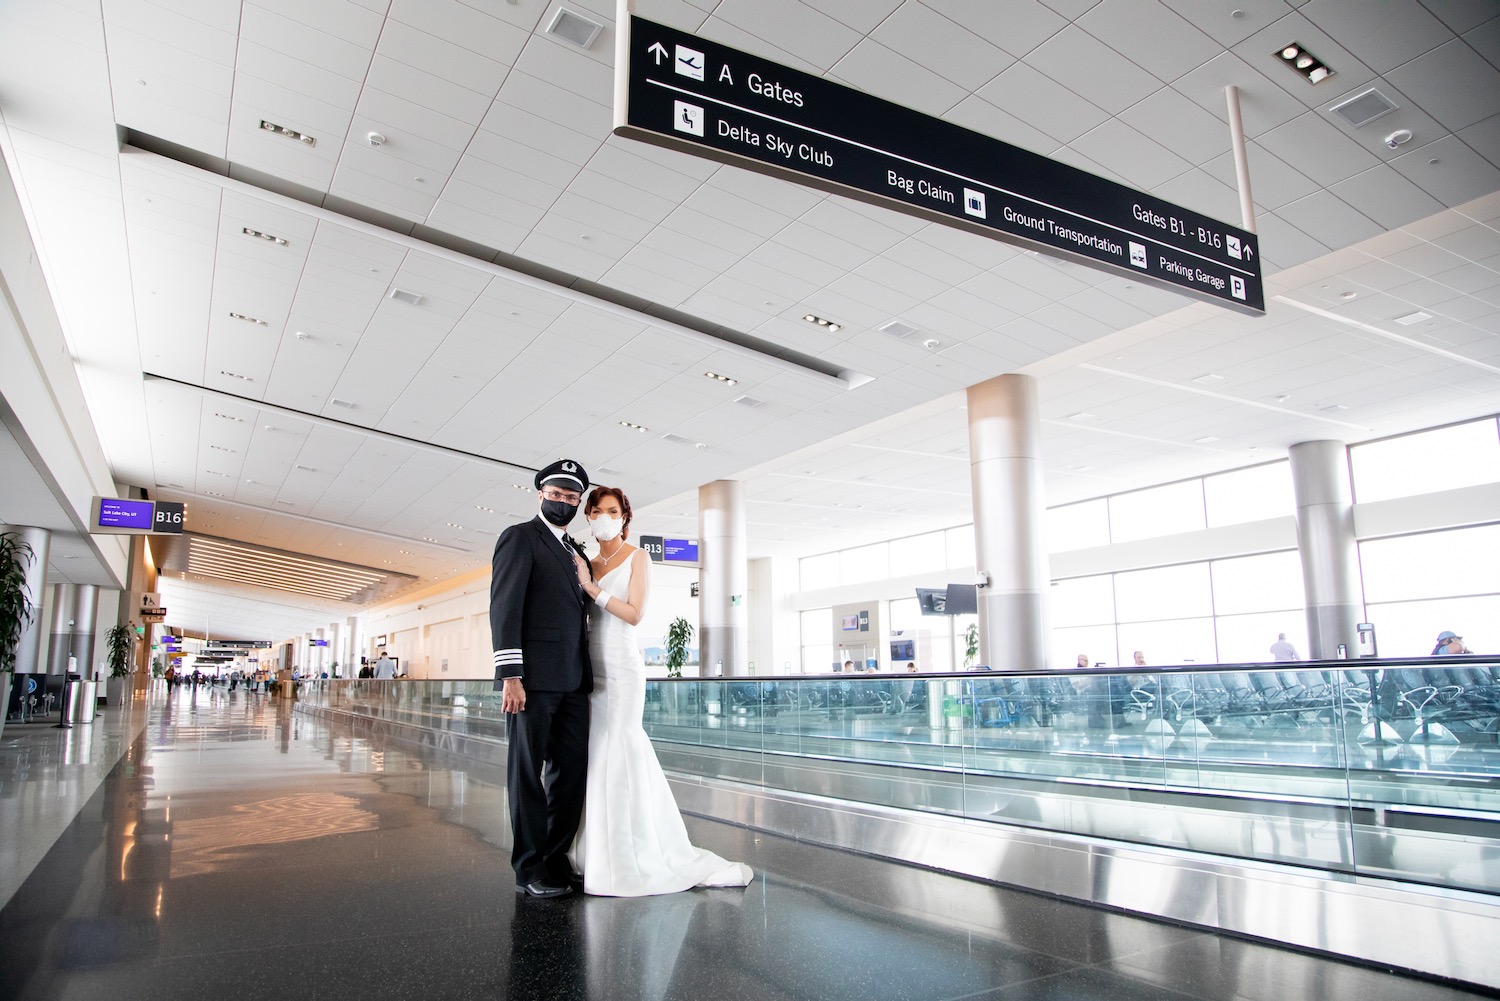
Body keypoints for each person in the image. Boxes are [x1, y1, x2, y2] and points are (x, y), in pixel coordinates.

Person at [570, 484, 752, 896]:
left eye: (611, 510)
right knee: (595, 751)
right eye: (596, 511)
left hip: (621, 668)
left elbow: (634, 614)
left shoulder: (637, 558)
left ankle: (630, 848)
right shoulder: (587, 561)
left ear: (624, 516)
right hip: (588, 667)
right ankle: (593, 847)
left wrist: (591, 588)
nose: (603, 517)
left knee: (620, 744)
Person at [491, 458, 594, 900]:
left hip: (573, 682)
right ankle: (529, 868)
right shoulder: (520, 538)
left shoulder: (577, 552)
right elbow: (505, 607)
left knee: (569, 776)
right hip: (531, 682)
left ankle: (555, 858)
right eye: (556, 495)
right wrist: (511, 675)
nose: (563, 502)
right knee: (527, 774)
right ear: (540, 495)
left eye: (571, 498)